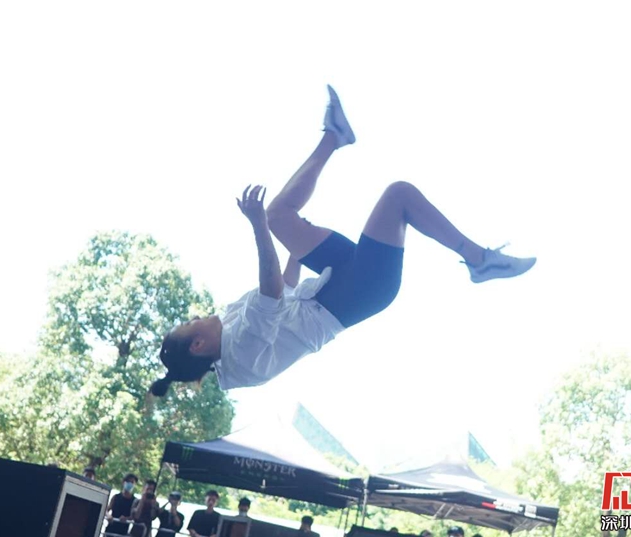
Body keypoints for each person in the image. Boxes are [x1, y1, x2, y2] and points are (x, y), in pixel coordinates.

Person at [150, 86, 536, 396]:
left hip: (330, 283)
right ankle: (479, 261)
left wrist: (295, 239)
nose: (195, 318)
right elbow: (271, 290)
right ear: (198, 344)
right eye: (189, 324)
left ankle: (335, 136)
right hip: (357, 293)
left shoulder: (230, 325)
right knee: (398, 195)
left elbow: (284, 285)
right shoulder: (240, 354)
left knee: (280, 216)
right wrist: (258, 226)